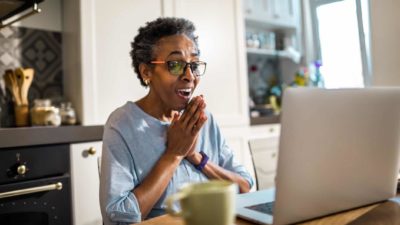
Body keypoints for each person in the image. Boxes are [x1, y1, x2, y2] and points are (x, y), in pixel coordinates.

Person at [99, 17, 254, 225]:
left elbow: (244, 186)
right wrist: (175, 154)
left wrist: (197, 158)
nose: (189, 76)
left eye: (194, 65)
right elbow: (118, 219)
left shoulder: (202, 120)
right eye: (175, 65)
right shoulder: (122, 124)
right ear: (147, 72)